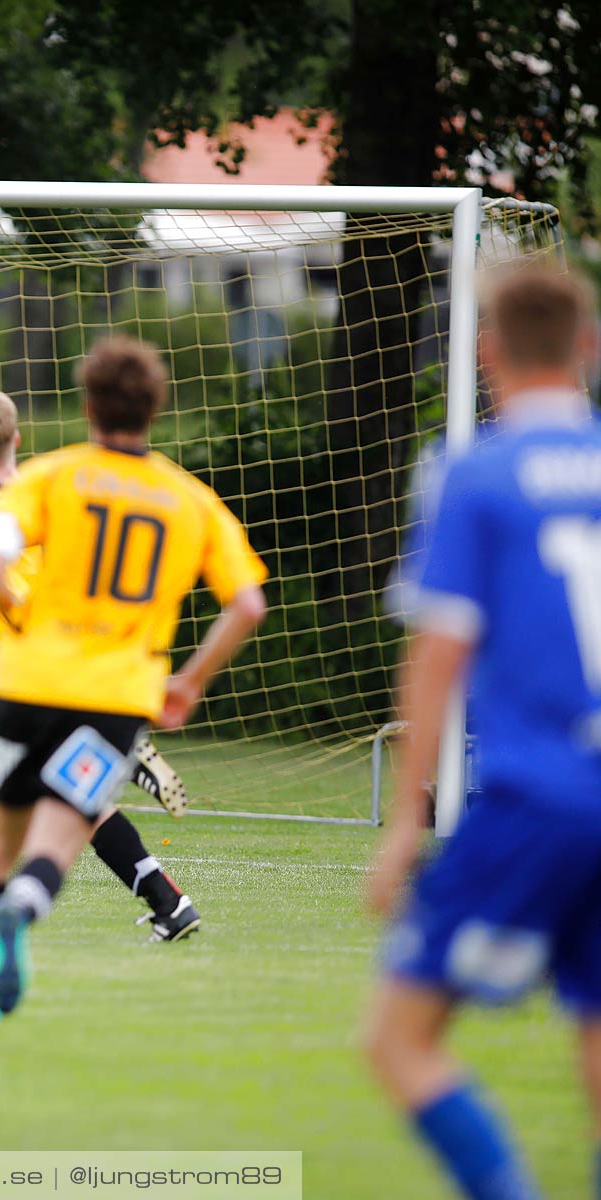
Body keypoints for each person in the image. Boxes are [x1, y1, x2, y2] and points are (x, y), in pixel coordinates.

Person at [0, 340, 268, 1045]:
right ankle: (27, 906)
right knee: (63, 832)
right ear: (155, 409)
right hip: (120, 696)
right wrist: (188, 682)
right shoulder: (190, 498)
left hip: (29, 680)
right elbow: (247, 605)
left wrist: (27, 618)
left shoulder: (49, 477)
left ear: (88, 406)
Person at [364, 263, 601, 1200]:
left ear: (488, 353)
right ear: (587, 348)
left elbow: (438, 656)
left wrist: (404, 825)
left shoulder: (478, 473)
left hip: (537, 797)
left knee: (398, 1039)